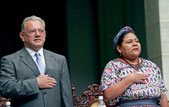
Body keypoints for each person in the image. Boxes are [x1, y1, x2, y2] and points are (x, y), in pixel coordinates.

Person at [0, 15, 73, 107]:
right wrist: (36, 83)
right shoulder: (10, 60)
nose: (37, 34)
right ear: (22, 36)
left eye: (40, 31)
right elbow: (6, 88)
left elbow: (66, 95)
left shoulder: (59, 59)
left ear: (45, 35)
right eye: (32, 31)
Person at [101, 26, 169, 106]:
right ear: (119, 48)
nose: (135, 44)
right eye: (129, 42)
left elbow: (163, 96)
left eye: (137, 41)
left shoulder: (152, 66)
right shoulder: (113, 66)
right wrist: (130, 79)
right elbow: (108, 95)